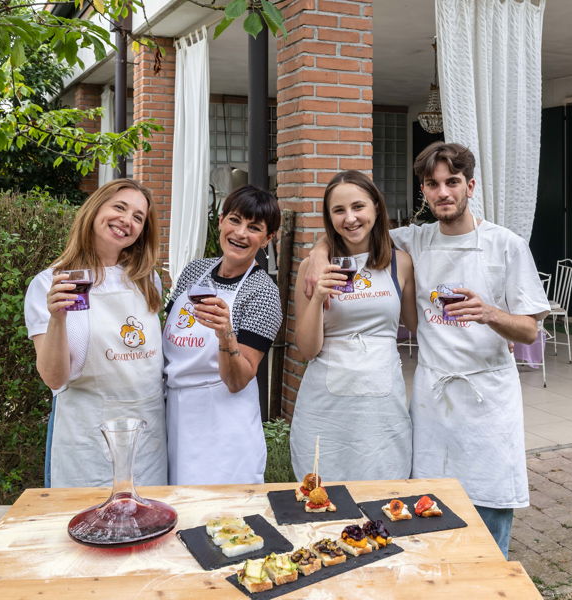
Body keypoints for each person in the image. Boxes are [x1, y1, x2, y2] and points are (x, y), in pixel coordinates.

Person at [306, 143, 549, 557]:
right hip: (433, 400)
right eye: (433, 184)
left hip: (486, 398)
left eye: (452, 182)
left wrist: (489, 313)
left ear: (470, 186)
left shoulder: (505, 245)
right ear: (424, 191)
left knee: (487, 513)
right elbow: (352, 230)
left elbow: (529, 331)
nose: (443, 193)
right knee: (428, 515)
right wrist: (317, 253)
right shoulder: (412, 241)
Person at [24, 179, 166, 488]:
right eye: (119, 207)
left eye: (138, 217)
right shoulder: (51, 283)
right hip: (85, 438)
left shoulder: (146, 280)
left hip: (147, 438)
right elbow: (54, 378)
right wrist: (57, 318)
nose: (127, 220)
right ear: (95, 209)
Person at [290, 171, 417, 482]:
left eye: (358, 207)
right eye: (339, 210)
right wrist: (319, 295)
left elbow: (419, 327)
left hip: (382, 407)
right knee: (322, 495)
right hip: (326, 406)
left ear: (375, 206)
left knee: (384, 492)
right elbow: (307, 350)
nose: (350, 218)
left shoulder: (401, 263)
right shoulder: (312, 268)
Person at [163, 185, 282, 485]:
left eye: (254, 228)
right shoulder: (194, 273)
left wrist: (225, 335)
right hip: (174, 414)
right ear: (220, 221)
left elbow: (239, 380)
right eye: (235, 220)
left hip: (223, 426)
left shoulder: (263, 293)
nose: (241, 233)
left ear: (267, 239)